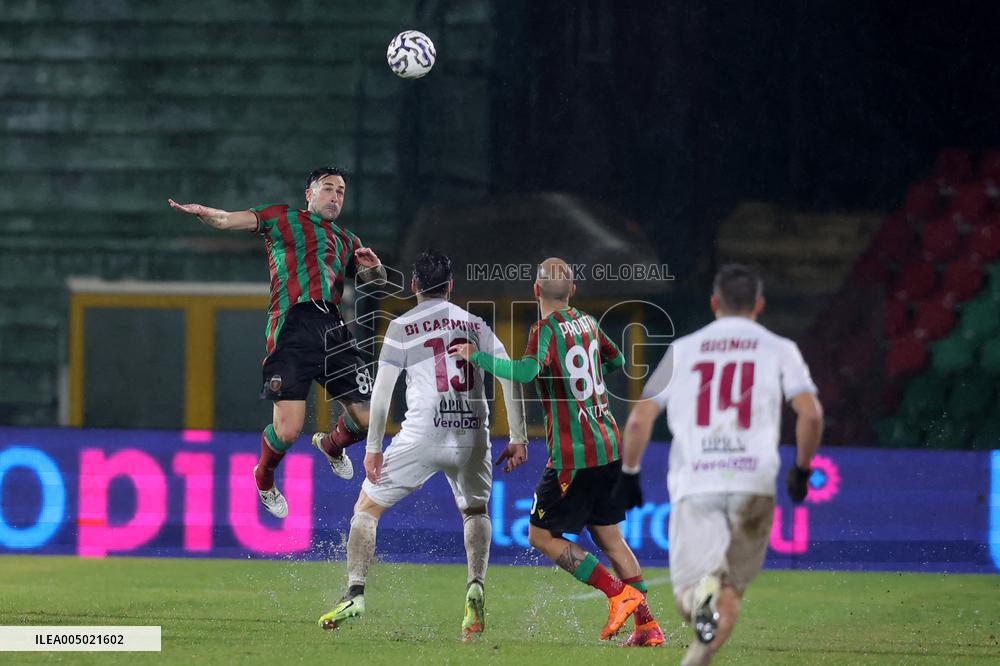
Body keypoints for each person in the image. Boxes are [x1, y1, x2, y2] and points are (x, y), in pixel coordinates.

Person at [615, 263, 824, 666]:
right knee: (730, 592)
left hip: (697, 482)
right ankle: (698, 649)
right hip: (754, 482)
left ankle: (701, 599)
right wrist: (801, 469)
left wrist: (629, 474)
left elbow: (640, 417)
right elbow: (811, 414)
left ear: (714, 303)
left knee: (687, 598)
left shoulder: (684, 350)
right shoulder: (780, 348)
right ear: (759, 305)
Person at [450, 258, 663, 646]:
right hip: (609, 445)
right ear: (573, 291)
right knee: (612, 539)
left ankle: (618, 594)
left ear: (535, 291)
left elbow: (528, 372)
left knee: (541, 535)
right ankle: (648, 627)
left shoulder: (542, 330)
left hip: (574, 456)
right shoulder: (589, 323)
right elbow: (616, 360)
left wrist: (475, 356)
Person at [318, 250, 529, 641]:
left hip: (422, 432)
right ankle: (475, 586)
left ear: (414, 286)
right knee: (475, 511)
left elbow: (381, 396)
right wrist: (517, 437)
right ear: (450, 286)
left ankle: (355, 593)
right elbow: (510, 377)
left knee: (367, 508)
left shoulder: (402, 326)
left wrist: (373, 447)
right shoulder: (475, 324)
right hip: (472, 434)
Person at [168, 167, 387, 518]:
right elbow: (228, 220)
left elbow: (374, 281)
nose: (335, 196)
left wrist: (374, 269)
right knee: (288, 430)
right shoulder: (282, 218)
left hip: (333, 326)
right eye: (328, 189)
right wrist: (207, 214)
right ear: (309, 194)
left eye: (341, 192)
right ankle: (264, 476)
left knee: (369, 417)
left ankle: (332, 445)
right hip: (292, 327)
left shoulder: (348, 239)